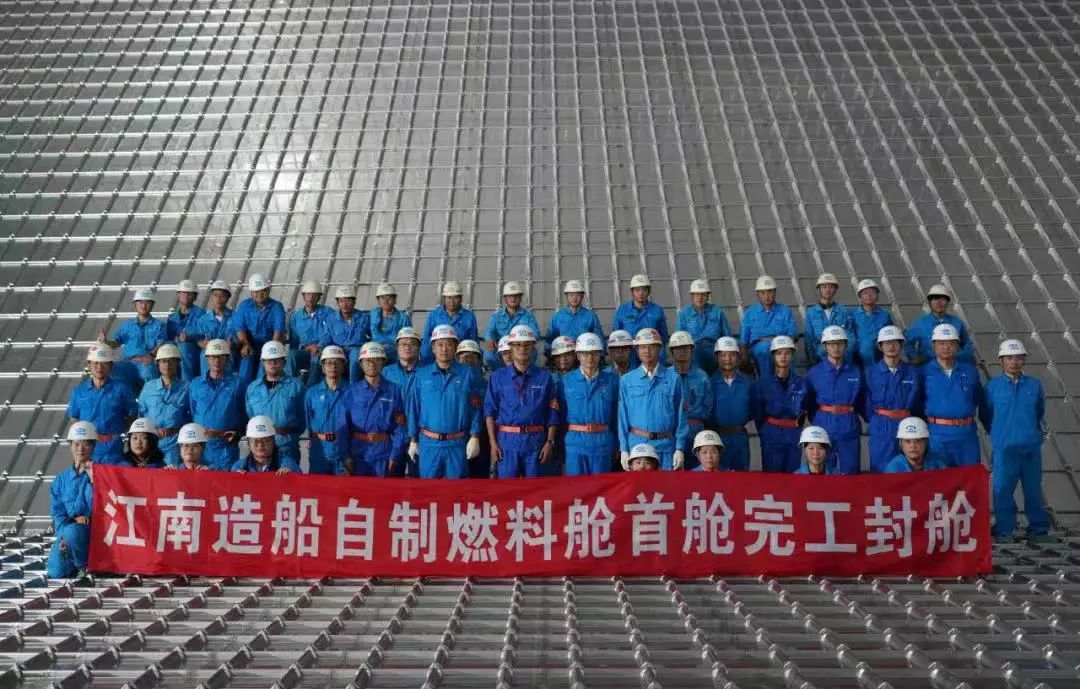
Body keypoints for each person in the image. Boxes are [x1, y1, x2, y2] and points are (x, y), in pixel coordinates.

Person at [981, 339, 1049, 542]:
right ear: (1001, 360)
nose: (1014, 362)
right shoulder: (992, 387)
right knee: (1002, 490)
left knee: (1033, 490)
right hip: (1005, 450)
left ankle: (1038, 529)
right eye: (1009, 358)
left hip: (1030, 449)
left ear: (1024, 360)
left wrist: (1030, 434)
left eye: (1018, 358)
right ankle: (1004, 530)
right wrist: (1001, 435)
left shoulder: (1035, 385)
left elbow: (1039, 411)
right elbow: (985, 415)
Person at [406, 324, 484, 478]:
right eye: (439, 344)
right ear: (433, 348)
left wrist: (475, 436)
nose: (444, 349)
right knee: (429, 489)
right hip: (428, 443)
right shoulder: (421, 375)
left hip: (457, 443)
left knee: (456, 489)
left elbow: (475, 407)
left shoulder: (467, 373)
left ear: (455, 347)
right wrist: (413, 440)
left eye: (448, 344)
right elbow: (413, 409)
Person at [485, 325, 561, 478]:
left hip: (536, 442)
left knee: (535, 490)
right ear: (511, 348)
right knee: (508, 489)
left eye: (527, 345)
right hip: (506, 443)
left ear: (533, 348)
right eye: (517, 345)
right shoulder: (497, 377)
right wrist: (493, 443)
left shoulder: (544, 377)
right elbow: (489, 413)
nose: (522, 349)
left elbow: (552, 413)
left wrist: (550, 442)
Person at [617, 328, 689, 471]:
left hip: (666, 447)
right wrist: (624, 449)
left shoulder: (673, 379)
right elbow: (622, 417)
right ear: (637, 350)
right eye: (643, 347)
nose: (647, 351)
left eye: (651, 347)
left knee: (667, 485)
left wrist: (679, 448)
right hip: (637, 448)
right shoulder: (627, 380)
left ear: (660, 349)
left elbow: (681, 416)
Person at [337, 342, 408, 477]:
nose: (372, 364)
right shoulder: (351, 392)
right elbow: (343, 427)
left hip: (384, 455)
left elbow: (400, 428)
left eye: (376, 360)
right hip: (358, 455)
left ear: (383, 363)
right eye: (367, 360)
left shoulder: (394, 391)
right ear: (361, 364)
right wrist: (346, 457)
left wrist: (394, 455)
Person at [921, 323, 984, 467]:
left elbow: (976, 397)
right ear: (933, 346)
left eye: (951, 343)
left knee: (969, 476)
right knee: (940, 477)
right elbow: (918, 401)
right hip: (937, 434)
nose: (946, 347)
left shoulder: (970, 371)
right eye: (942, 343)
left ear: (957, 345)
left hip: (966, 434)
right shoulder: (923, 372)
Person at [804, 326, 864, 474]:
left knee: (851, 473)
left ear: (846, 345)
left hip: (849, 426)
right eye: (831, 344)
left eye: (840, 343)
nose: (836, 347)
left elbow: (861, 400)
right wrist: (818, 418)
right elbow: (808, 402)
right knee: (823, 473)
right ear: (824, 347)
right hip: (823, 426)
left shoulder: (856, 372)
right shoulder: (814, 373)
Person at [558, 333, 619, 476]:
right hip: (575, 444)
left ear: (600, 355)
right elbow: (561, 414)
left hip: (602, 443)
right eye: (585, 354)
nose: (590, 358)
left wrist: (616, 443)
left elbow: (616, 415)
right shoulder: (567, 380)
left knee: (600, 487)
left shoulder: (611, 380)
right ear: (578, 356)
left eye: (594, 353)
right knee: (576, 487)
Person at [67, 344, 138, 465]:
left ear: (111, 365)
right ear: (89, 364)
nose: (99, 367)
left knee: (112, 476)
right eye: (95, 363)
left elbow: (132, 413)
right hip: (87, 448)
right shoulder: (78, 392)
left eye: (104, 363)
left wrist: (118, 432)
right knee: (88, 476)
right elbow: (74, 418)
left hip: (113, 448)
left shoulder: (122, 389)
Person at [865, 325, 921, 473]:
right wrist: (878, 421)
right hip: (880, 426)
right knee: (880, 471)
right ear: (880, 346)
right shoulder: (871, 372)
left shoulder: (912, 372)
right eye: (886, 343)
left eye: (895, 342)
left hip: (907, 424)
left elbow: (917, 402)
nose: (891, 346)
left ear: (901, 345)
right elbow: (866, 403)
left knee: (909, 470)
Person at [47, 421, 97, 579]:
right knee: (55, 571)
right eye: (76, 444)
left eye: (85, 444)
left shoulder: (101, 474)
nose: (80, 449)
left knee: (74, 532)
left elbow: (102, 506)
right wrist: (64, 536)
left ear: (93, 447)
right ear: (70, 446)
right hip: (68, 532)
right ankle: (75, 562)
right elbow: (57, 513)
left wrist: (94, 481)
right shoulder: (61, 480)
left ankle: (85, 566)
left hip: (94, 532)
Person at [753, 336, 809, 473]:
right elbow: (758, 412)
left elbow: (806, 408)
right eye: (779, 353)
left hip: (794, 434)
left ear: (793, 355)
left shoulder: (801, 383)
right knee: (772, 479)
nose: (783, 357)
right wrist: (766, 431)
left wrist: (797, 428)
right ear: (773, 356)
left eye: (787, 353)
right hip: (771, 434)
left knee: (793, 477)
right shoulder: (762, 384)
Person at [188, 339, 246, 470]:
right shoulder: (196, 384)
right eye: (213, 357)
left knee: (227, 481)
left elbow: (243, 412)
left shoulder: (238, 383)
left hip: (227, 446)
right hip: (201, 445)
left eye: (220, 356)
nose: (216, 360)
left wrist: (236, 434)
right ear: (206, 359)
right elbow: (193, 410)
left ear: (227, 359)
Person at [245, 341, 305, 467]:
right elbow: (250, 415)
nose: (273, 363)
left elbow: (303, 419)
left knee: (288, 478)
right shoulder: (252, 388)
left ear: (284, 361)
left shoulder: (297, 386)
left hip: (287, 445)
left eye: (277, 360)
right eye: (269, 360)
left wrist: (287, 434)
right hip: (260, 448)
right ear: (263, 362)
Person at [101, 287, 167, 392]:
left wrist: (151, 355)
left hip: (147, 363)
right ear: (135, 305)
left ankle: (150, 399)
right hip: (128, 364)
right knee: (111, 371)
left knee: (150, 378)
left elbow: (161, 343)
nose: (144, 306)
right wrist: (106, 342)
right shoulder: (127, 325)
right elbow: (116, 343)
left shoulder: (159, 325)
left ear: (152, 305)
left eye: (147, 302)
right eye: (140, 302)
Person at [137, 343, 191, 467]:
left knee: (172, 477)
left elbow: (192, 415)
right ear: (158, 363)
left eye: (171, 361)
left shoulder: (187, 387)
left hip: (175, 444)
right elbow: (141, 415)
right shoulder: (148, 387)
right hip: (151, 443)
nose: (167, 365)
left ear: (177, 362)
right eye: (163, 361)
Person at [709, 337, 755, 471]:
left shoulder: (747, 383)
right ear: (716, 357)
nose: (727, 359)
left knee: (741, 478)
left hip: (740, 438)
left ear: (738, 357)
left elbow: (753, 411)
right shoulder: (709, 384)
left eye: (732, 355)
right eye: (723, 355)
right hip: (717, 439)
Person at [232, 273, 287, 385]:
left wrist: (269, 352)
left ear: (269, 290)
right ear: (251, 292)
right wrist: (246, 344)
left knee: (265, 368)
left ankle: (261, 390)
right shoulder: (244, 306)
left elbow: (278, 334)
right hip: (250, 345)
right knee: (246, 363)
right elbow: (240, 330)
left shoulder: (277, 307)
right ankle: (243, 392)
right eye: (256, 291)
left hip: (269, 346)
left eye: (263, 291)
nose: (260, 294)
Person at [739, 275, 799, 377]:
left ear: (775, 292)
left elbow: (792, 332)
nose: (766, 296)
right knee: (765, 350)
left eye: (770, 292)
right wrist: (744, 357)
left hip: (782, 344)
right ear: (757, 294)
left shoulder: (784, 310)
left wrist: (779, 342)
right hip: (759, 347)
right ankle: (767, 383)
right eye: (763, 292)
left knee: (788, 354)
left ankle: (790, 384)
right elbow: (744, 339)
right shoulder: (750, 312)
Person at [668, 330, 712, 463]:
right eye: (678, 348)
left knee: (696, 471)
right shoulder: (665, 376)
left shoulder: (702, 376)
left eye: (686, 348)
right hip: (672, 432)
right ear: (671, 352)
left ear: (692, 350)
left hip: (696, 432)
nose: (682, 351)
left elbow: (708, 406)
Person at [905, 283, 975, 365]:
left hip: (953, 366)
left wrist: (958, 357)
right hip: (928, 368)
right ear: (929, 302)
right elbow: (906, 343)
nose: (939, 302)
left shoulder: (957, 323)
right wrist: (915, 357)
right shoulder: (920, 323)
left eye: (943, 299)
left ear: (948, 302)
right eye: (935, 299)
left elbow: (967, 345)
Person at [304, 346, 349, 475]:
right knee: (318, 486)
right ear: (323, 367)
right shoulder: (312, 393)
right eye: (328, 363)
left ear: (343, 366)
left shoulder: (352, 392)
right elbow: (307, 420)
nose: (333, 366)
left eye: (337, 362)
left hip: (344, 450)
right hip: (319, 450)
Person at [675, 279, 731, 376]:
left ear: (708, 296)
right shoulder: (684, 314)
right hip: (693, 350)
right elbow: (678, 339)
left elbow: (727, 336)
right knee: (697, 374)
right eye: (697, 294)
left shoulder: (717, 312)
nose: (700, 298)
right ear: (692, 296)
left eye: (703, 294)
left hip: (714, 349)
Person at [611, 274, 669, 367]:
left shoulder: (657, 310)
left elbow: (663, 337)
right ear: (632, 292)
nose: (641, 293)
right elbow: (616, 335)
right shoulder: (622, 310)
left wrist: (659, 356)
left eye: (644, 290)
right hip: (630, 354)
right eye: (637, 290)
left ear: (648, 291)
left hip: (650, 352)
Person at [484, 281, 541, 369]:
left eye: (516, 296)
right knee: (488, 354)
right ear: (505, 298)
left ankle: (522, 373)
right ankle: (501, 373)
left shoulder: (528, 317)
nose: (513, 298)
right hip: (502, 349)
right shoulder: (496, 316)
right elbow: (489, 331)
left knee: (533, 353)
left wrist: (524, 343)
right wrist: (490, 340)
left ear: (520, 297)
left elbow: (536, 334)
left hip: (520, 347)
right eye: (510, 296)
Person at [320, 285, 370, 381]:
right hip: (338, 350)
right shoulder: (331, 319)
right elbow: (326, 337)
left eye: (348, 300)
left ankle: (353, 385)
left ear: (354, 302)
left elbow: (372, 335)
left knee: (354, 356)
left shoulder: (363, 317)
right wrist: (320, 347)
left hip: (357, 349)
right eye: (341, 301)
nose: (345, 304)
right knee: (321, 358)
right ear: (338, 303)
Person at [421, 281, 479, 363]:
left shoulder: (469, 316)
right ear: (444, 299)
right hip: (440, 352)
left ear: (461, 299)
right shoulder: (434, 315)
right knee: (425, 349)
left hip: (460, 354)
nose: (452, 301)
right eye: (449, 298)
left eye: (455, 298)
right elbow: (426, 339)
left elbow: (473, 340)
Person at [803, 273, 855, 366]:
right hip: (820, 355)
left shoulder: (844, 311)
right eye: (824, 287)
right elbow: (808, 340)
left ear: (835, 289)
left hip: (841, 353)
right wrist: (812, 362)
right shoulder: (811, 313)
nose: (827, 290)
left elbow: (850, 337)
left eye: (831, 287)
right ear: (819, 289)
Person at [289, 280, 333, 384]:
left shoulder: (328, 313)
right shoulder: (296, 317)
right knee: (292, 355)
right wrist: (304, 348)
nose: (311, 297)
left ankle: (311, 387)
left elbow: (331, 333)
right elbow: (294, 341)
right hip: (305, 351)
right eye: (308, 294)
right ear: (303, 296)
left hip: (323, 351)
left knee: (316, 358)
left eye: (314, 295)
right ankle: (290, 385)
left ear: (319, 297)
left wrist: (320, 346)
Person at [545, 280, 604, 356]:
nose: (574, 298)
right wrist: (548, 355)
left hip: (585, 355)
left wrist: (602, 356)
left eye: (578, 295)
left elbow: (599, 338)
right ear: (566, 296)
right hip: (564, 356)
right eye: (571, 295)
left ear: (582, 296)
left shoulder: (591, 316)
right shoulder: (558, 316)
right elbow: (549, 339)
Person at [191, 280, 235, 375]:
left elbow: (235, 338)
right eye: (215, 295)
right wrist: (203, 344)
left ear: (228, 297)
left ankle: (227, 381)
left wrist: (232, 344)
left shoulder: (235, 317)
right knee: (205, 354)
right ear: (211, 296)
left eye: (222, 296)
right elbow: (199, 339)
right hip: (210, 351)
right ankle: (206, 380)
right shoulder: (203, 320)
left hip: (228, 351)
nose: (218, 299)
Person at [232, 416, 300, 474]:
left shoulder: (288, 464)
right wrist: (236, 477)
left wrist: (292, 476)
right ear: (249, 443)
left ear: (273, 441)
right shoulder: (239, 466)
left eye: (265, 440)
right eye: (256, 441)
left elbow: (300, 482)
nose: (260, 445)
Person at [168, 279, 205, 381]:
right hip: (176, 353)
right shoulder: (172, 318)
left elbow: (203, 334)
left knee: (184, 347)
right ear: (178, 295)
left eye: (189, 293)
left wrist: (189, 337)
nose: (186, 296)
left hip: (195, 352)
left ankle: (187, 384)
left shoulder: (201, 315)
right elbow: (169, 338)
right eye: (183, 293)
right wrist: (176, 339)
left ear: (195, 296)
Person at [851, 279, 893, 369]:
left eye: (873, 292)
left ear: (877, 295)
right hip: (859, 360)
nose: (869, 295)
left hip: (880, 358)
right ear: (860, 296)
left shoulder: (885, 315)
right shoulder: (852, 315)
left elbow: (890, 336)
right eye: (865, 293)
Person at [884, 417, 949, 473]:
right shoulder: (894, 468)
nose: (913, 446)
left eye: (918, 441)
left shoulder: (937, 463)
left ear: (926, 442)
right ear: (901, 443)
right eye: (908, 441)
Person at [368, 282, 412, 365]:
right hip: (374, 350)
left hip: (396, 350)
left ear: (395, 300)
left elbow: (407, 338)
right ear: (378, 300)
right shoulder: (372, 315)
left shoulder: (403, 317)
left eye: (389, 297)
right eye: (382, 298)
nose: (386, 300)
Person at [384, 326, 422, 399]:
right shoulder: (386, 373)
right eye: (403, 344)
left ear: (419, 347)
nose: (407, 347)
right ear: (397, 347)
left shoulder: (428, 372)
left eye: (412, 344)